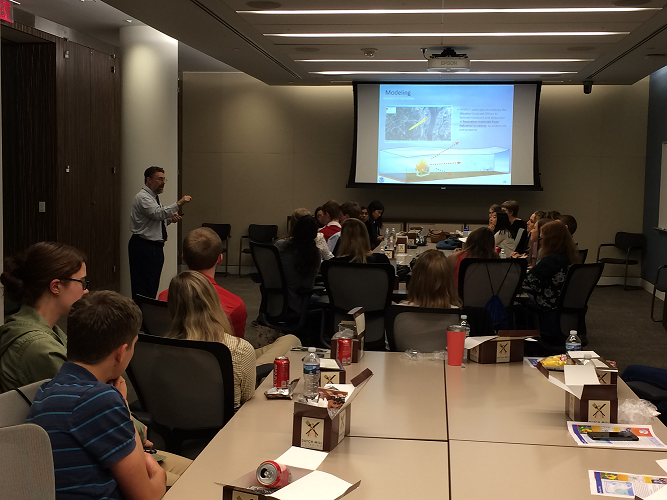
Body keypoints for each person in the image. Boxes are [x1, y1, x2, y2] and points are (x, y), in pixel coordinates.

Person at [26, 291, 191, 498]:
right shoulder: (98, 399)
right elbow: (146, 495)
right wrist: (158, 474)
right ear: (121, 352)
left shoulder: (47, 390)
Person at [167, 272, 299, 409]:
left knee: (290, 340)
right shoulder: (238, 349)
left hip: (183, 417)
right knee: (292, 343)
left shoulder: (159, 349)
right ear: (213, 301)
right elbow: (247, 396)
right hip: (230, 423)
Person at [0, 242, 88, 392]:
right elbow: (90, 401)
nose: (86, 291)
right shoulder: (40, 348)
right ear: (55, 287)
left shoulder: (36, 327)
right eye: (82, 282)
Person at [158, 228, 247, 338]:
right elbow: (236, 348)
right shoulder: (235, 305)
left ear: (183, 258)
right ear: (220, 259)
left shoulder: (164, 297)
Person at [129, 166, 192, 300]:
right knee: (143, 286)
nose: (163, 182)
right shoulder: (143, 197)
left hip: (153, 247)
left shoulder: (153, 197)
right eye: (159, 179)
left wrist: (168, 220)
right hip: (144, 246)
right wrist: (179, 203)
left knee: (151, 284)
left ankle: (147, 315)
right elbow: (157, 213)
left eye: (164, 179)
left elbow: (154, 221)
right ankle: (141, 317)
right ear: (149, 180)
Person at [523, 220, 579, 348]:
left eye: (542, 239)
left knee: (515, 304)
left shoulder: (551, 259)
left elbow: (529, 280)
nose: (541, 242)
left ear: (550, 240)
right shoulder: (569, 257)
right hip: (562, 306)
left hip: (547, 306)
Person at [275, 215, 321, 314]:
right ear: (315, 233)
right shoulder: (314, 253)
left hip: (275, 302)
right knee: (325, 299)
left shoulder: (279, 246)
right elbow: (308, 286)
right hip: (296, 304)